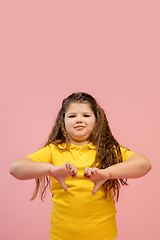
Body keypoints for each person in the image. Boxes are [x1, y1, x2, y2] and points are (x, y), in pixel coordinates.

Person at [10, 92, 151, 240]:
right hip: (62, 235)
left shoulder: (107, 150)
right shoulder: (53, 150)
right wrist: (51, 170)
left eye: (86, 115)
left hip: (103, 234)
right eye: (72, 116)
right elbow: (16, 168)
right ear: (62, 120)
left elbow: (144, 164)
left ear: (97, 120)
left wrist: (107, 174)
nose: (79, 120)